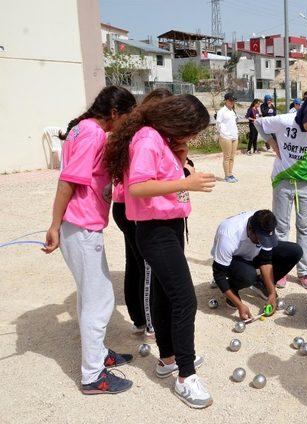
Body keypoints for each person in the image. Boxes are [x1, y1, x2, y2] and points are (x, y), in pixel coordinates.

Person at [104, 94, 216, 409]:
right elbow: (138, 187)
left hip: (169, 226)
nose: (193, 137)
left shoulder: (160, 138)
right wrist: (188, 183)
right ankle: (186, 376)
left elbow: (163, 176)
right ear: (178, 121)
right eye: (192, 131)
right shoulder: (147, 139)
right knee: (185, 300)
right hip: (155, 232)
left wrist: (179, 158)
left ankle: (169, 359)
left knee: (168, 297)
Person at [42, 86, 137, 394]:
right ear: (114, 113)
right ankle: (92, 376)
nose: (127, 123)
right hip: (80, 227)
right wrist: (54, 225)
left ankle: (98, 354)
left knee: (89, 294)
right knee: (100, 300)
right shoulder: (93, 134)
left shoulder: (81, 128)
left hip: (80, 226)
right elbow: (68, 180)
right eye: (127, 117)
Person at [112, 88, 175, 340]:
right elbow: (140, 184)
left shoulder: (136, 131)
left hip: (124, 205)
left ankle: (139, 318)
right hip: (131, 207)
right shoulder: (147, 137)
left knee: (136, 264)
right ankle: (149, 323)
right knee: (147, 268)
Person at [254, 92, 307, 289]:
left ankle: (304, 271)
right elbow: (258, 123)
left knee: (305, 226)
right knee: (280, 226)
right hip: (283, 180)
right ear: (305, 111)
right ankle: (282, 270)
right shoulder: (285, 120)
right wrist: (272, 144)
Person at [210, 210, 303, 319]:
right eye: (260, 239)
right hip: (234, 259)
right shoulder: (229, 234)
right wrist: (240, 305)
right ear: (250, 230)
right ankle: (233, 289)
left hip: (252, 255)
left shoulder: (265, 224)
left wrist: (271, 293)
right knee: (248, 275)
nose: (262, 242)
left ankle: (261, 284)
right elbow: (219, 274)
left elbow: (265, 261)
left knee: (294, 251)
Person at [216, 93, 239, 183]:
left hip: (234, 136)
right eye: (230, 100)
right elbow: (218, 124)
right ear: (226, 100)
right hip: (225, 136)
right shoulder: (222, 111)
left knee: (232, 157)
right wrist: (222, 133)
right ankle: (227, 175)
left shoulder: (232, 111)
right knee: (227, 156)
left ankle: (230, 173)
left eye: (233, 100)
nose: (232, 102)